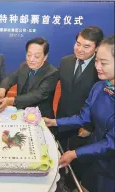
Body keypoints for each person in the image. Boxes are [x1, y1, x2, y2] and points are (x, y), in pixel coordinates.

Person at [44, 35, 115, 192]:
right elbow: (83, 116)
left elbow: (111, 143)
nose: (97, 66)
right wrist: (54, 122)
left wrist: (75, 153)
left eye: (103, 63)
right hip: (94, 154)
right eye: (96, 60)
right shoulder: (99, 87)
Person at [0, 37, 59, 121]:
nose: (31, 59)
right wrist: (1, 90)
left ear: (45, 57)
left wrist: (10, 101)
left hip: (41, 117)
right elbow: (11, 77)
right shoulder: (24, 66)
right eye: (29, 55)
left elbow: (37, 95)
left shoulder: (52, 73)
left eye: (36, 56)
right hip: (21, 113)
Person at [57, 26, 104, 150]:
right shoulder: (65, 61)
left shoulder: (101, 70)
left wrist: (90, 127)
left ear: (97, 48)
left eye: (86, 46)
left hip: (84, 125)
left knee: (77, 161)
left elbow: (101, 103)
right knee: (59, 152)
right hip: (62, 119)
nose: (79, 49)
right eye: (78, 44)